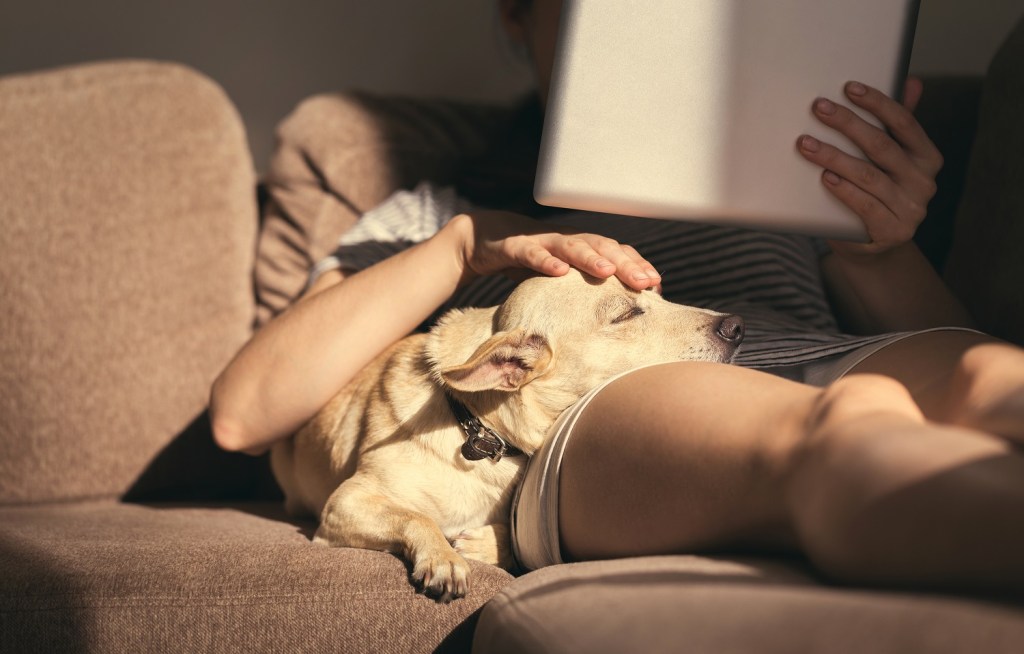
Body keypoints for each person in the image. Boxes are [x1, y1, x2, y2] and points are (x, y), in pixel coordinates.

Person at [210, 0, 1024, 594]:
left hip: (823, 348)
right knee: (847, 427)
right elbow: (244, 413)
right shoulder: (437, 215)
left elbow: (951, 345)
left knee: (995, 382)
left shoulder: (792, 190)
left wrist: (878, 245)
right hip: (624, 404)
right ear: (520, 18)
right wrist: (462, 246)